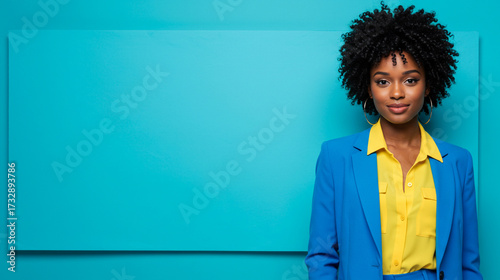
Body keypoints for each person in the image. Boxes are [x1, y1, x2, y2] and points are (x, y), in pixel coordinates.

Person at [305, 2, 483, 280]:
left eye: (410, 80)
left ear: (428, 84)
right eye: (383, 81)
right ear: (368, 87)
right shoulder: (335, 157)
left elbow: (468, 262)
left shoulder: (458, 162)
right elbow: (322, 255)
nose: (397, 93)